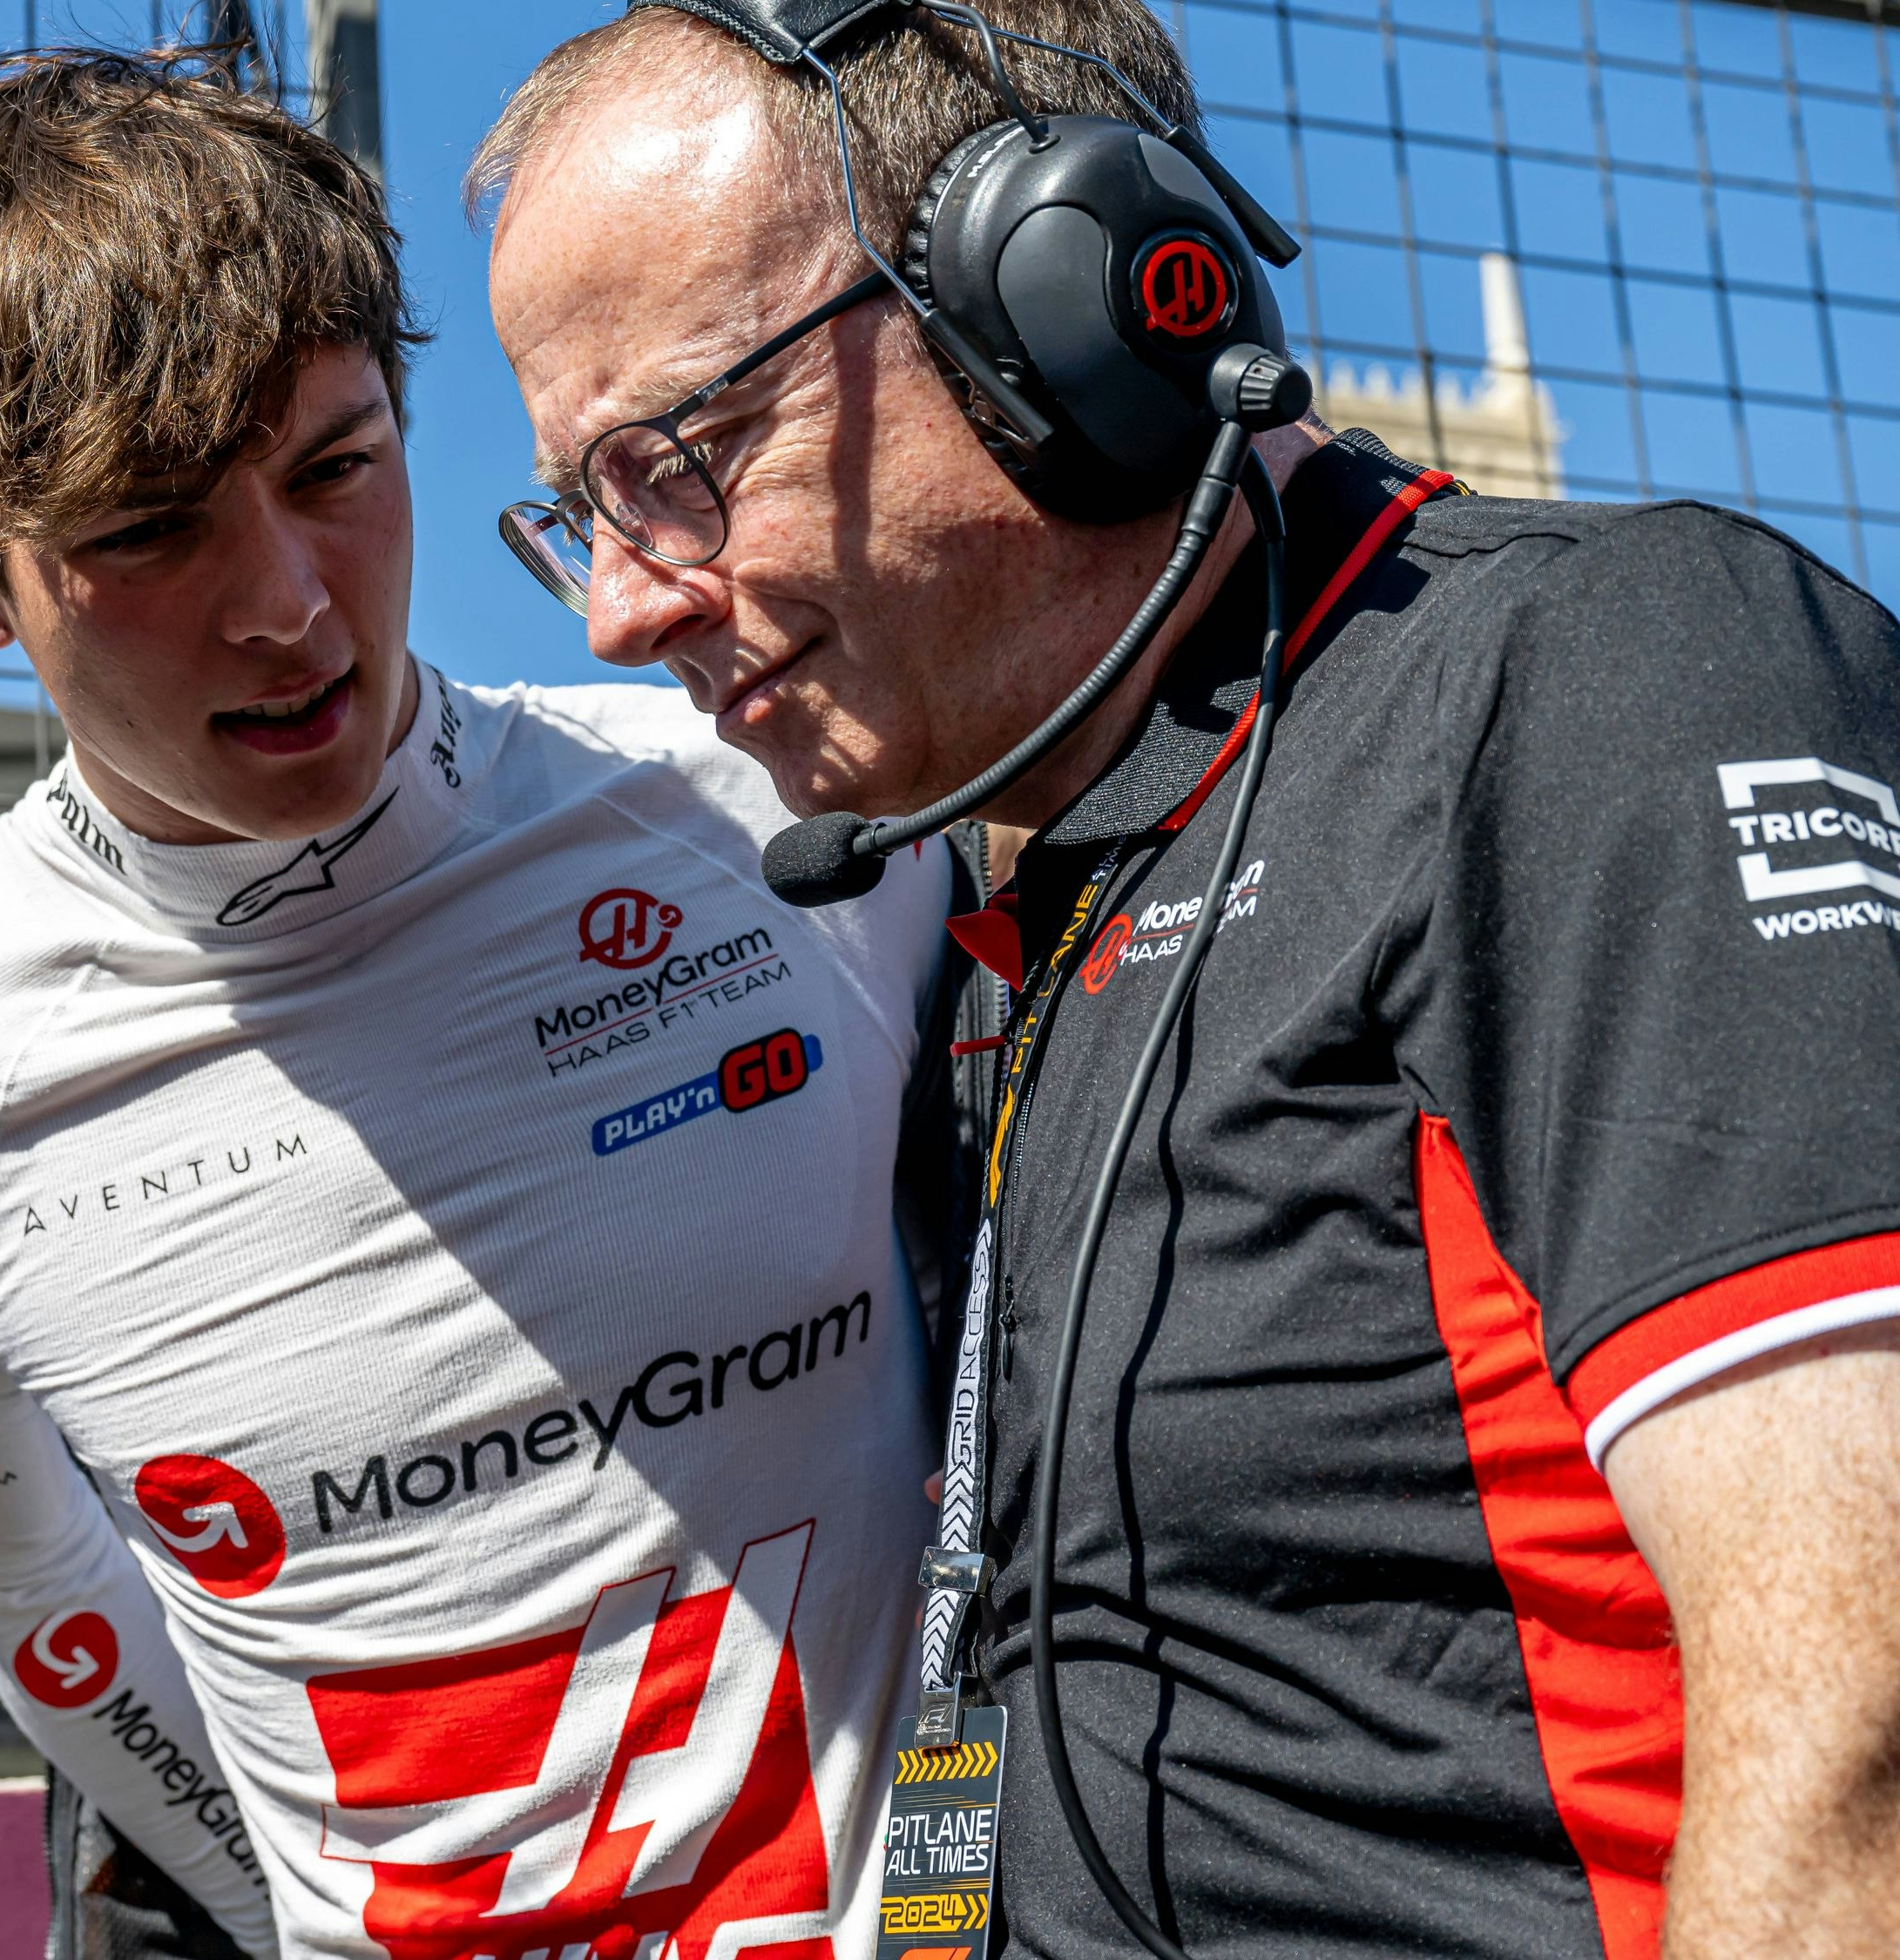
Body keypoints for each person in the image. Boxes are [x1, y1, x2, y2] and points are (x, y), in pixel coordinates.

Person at [477, 3, 1900, 1957]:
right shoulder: (1005, 891)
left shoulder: (1608, 674)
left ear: (1047, 311)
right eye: (578, 511)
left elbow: (1859, 1726)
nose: (621, 607)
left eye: (677, 461)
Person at [0, 48, 965, 1960]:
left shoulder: (784, 817)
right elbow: (47, 1618)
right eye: (146, 531)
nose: (289, 608)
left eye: (334, 470)